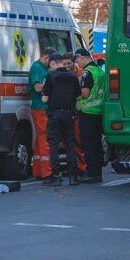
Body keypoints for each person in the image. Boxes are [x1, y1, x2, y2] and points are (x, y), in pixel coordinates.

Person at [42, 52, 84, 185]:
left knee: (53, 144)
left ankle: (56, 176)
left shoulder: (51, 76)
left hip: (54, 115)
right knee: (70, 144)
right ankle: (72, 176)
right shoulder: (72, 76)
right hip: (69, 114)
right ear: (62, 62)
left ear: (55, 63)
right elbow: (79, 96)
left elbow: (45, 98)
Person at [75, 48, 106, 183]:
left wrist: (74, 95)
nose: (77, 63)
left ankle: (91, 173)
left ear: (82, 57)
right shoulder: (99, 70)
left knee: (88, 145)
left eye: (77, 60)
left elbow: (85, 94)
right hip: (99, 111)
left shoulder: (87, 73)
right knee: (96, 144)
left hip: (87, 112)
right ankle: (97, 173)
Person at [29, 47, 57, 182]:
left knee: (40, 140)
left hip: (41, 107)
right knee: (46, 139)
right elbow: (38, 87)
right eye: (51, 61)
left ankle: (39, 170)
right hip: (41, 107)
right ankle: (47, 172)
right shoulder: (37, 67)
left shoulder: (41, 67)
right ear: (46, 58)